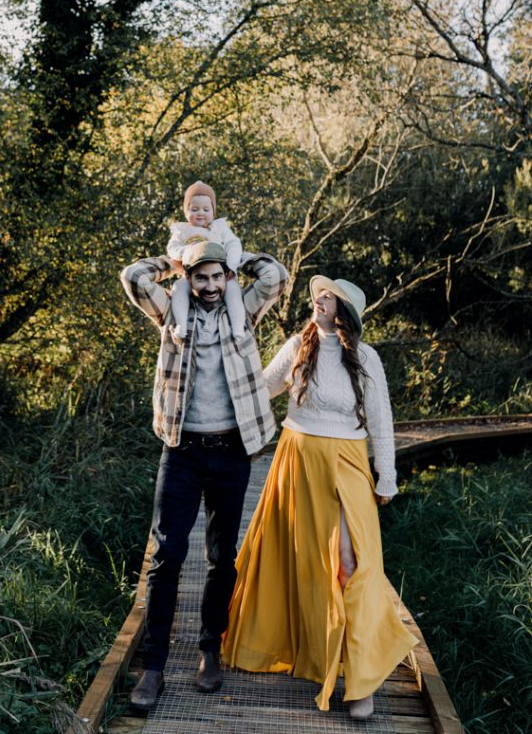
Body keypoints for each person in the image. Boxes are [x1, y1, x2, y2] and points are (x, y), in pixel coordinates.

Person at [222, 274, 418, 721]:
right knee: (302, 560)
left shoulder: (366, 358)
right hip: (297, 459)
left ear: (344, 312)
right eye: (319, 296)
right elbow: (261, 388)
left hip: (346, 463)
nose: (319, 301)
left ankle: (361, 679)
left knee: (352, 564)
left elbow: (381, 419)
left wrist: (386, 476)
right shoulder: (298, 345)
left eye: (328, 298)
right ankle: (309, 652)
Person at [120, 239, 288, 712]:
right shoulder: (171, 315)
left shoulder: (243, 313)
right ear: (188, 280)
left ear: (227, 278)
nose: (210, 286)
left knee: (221, 557)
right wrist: (173, 260)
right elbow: (134, 277)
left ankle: (209, 650)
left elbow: (274, 275)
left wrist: (237, 258)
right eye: (201, 277)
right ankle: (153, 666)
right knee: (166, 557)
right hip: (182, 450)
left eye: (217, 276)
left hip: (231, 451)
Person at [167, 180, 245, 343]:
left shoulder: (220, 228)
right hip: (192, 276)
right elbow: (172, 248)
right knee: (178, 289)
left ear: (213, 211)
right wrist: (185, 251)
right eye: (194, 209)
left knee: (233, 291)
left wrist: (231, 265)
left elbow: (234, 244)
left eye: (206, 209)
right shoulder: (182, 230)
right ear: (186, 211)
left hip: (220, 274)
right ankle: (181, 325)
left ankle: (238, 327)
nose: (200, 213)